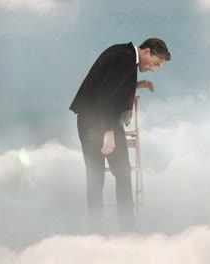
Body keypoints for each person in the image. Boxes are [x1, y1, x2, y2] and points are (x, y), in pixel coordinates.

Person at [69, 38, 171, 233]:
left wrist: (140, 84)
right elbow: (106, 93)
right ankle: (124, 230)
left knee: (102, 176)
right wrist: (108, 131)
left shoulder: (125, 55)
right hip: (98, 122)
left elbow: (115, 83)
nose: (154, 69)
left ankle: (104, 231)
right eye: (156, 63)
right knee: (112, 174)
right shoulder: (124, 58)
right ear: (146, 51)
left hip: (95, 119)